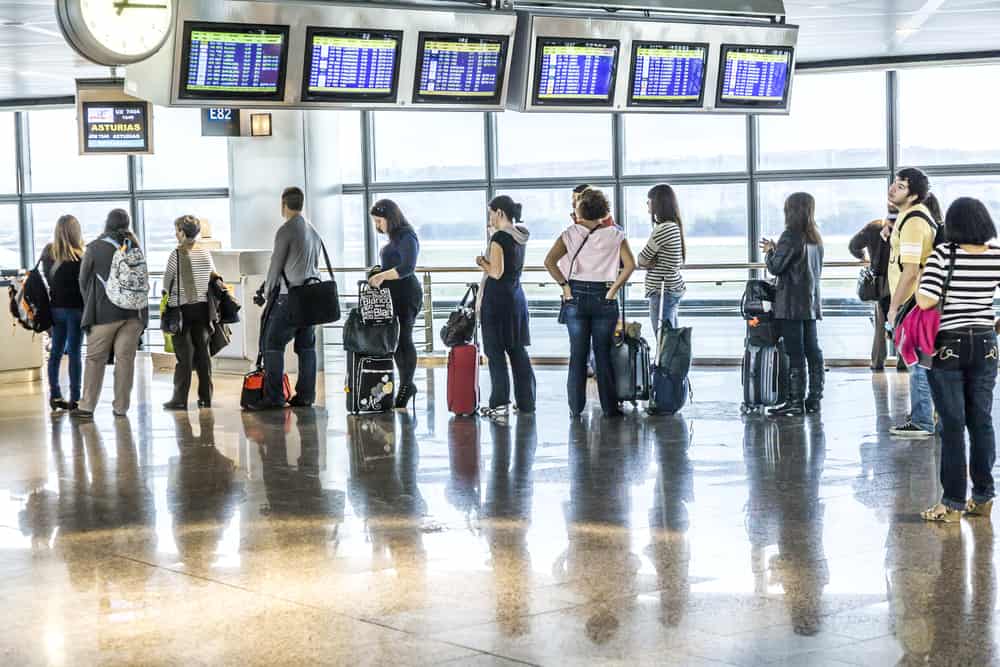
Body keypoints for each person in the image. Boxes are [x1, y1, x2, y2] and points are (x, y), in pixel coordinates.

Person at [915, 198, 1000, 522]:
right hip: (986, 342)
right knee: (981, 421)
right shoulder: (996, 255)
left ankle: (951, 503)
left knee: (952, 426)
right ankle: (983, 497)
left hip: (949, 344)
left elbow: (925, 301)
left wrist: (927, 277)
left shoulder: (943, 255)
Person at [545, 188, 636, 418]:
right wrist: (613, 289)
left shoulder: (570, 233)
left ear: (580, 210)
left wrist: (565, 287)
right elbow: (630, 265)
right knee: (603, 354)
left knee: (578, 354)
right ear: (604, 211)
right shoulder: (615, 235)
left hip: (575, 296)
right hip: (604, 297)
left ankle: (575, 408)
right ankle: (609, 408)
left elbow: (549, 262)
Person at [245, 187, 322, 411]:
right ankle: (306, 396)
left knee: (272, 345)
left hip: (290, 298)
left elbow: (275, 267)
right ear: (302, 203)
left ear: (283, 204)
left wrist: (266, 293)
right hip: (311, 298)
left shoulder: (286, 230)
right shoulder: (313, 231)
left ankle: (275, 397)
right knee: (306, 347)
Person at [73, 209, 148, 419]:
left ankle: (87, 406)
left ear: (107, 223)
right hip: (134, 313)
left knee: (95, 359)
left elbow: (83, 280)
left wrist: (93, 301)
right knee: (125, 360)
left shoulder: (95, 248)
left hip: (105, 314)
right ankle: (121, 407)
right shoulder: (135, 247)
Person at [760, 192, 825, 417]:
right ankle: (814, 399)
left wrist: (770, 252)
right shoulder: (815, 237)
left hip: (791, 305)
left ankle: (795, 402)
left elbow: (776, 268)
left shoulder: (791, 235)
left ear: (791, 211)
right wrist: (778, 248)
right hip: (810, 303)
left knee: (794, 353)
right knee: (812, 350)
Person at [885, 168, 938, 438]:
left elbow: (911, 271)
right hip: (917, 300)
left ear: (914, 194)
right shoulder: (908, 217)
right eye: (895, 183)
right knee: (920, 360)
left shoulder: (915, 221)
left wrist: (893, 308)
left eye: (902, 186)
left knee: (918, 360)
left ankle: (922, 420)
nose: (894, 188)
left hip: (914, 301)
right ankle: (925, 416)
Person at [476, 195, 536, 419]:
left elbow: (496, 272)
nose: (489, 217)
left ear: (499, 212)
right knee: (517, 350)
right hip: (516, 298)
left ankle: (499, 403)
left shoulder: (500, 237)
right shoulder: (520, 236)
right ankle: (527, 401)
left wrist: (481, 261)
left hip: (498, 302)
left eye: (491, 213)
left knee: (495, 353)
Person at [368, 199, 422, 410]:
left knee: (404, 340)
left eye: (379, 221)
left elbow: (407, 267)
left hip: (407, 295)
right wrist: (379, 274)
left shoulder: (407, 236)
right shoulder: (395, 238)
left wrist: (382, 276)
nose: (377, 226)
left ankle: (406, 386)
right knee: (398, 342)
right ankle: (405, 386)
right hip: (393, 296)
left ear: (390, 218)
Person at [162, 216, 217, 411]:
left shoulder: (176, 255)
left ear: (183, 233)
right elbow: (212, 277)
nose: (175, 233)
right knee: (203, 354)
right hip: (202, 310)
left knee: (184, 357)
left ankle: (179, 399)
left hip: (182, 312)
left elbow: (166, 283)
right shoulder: (205, 253)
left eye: (177, 230)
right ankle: (206, 397)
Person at [41, 215, 85, 412]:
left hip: (56, 310)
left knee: (56, 354)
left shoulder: (48, 253)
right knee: (75, 354)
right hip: (77, 310)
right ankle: (75, 398)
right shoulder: (82, 256)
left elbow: (49, 283)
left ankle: (55, 395)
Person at [849, 206, 897, 370]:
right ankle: (905, 363)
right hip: (900, 281)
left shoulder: (874, 226)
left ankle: (877, 362)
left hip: (879, 283)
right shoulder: (906, 228)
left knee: (880, 325)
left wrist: (863, 257)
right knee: (903, 322)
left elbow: (853, 245)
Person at [638, 184, 686, 333]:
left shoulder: (663, 229)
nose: (647, 203)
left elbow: (642, 259)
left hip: (662, 290)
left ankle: (667, 358)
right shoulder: (673, 226)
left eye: (650, 200)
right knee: (671, 337)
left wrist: (650, 262)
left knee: (664, 339)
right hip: (669, 288)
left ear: (658, 203)